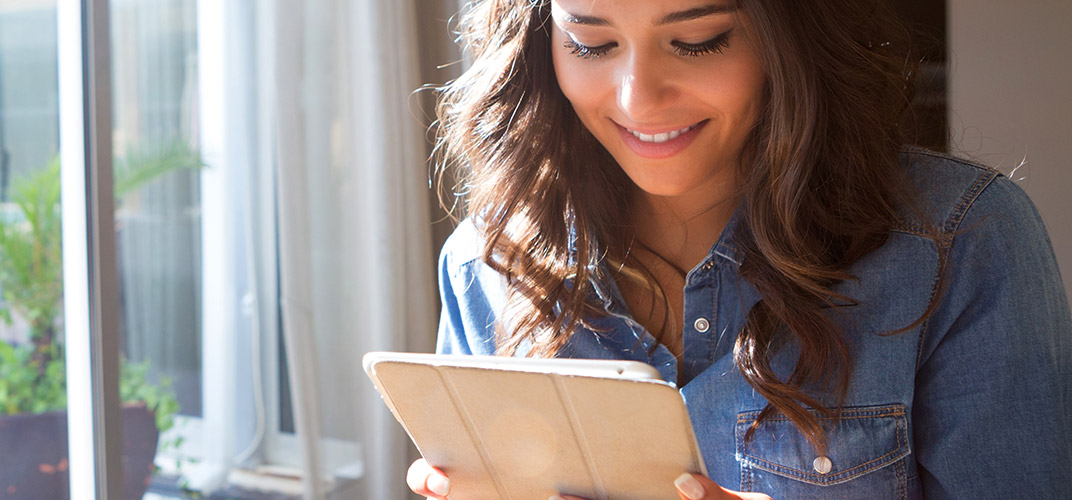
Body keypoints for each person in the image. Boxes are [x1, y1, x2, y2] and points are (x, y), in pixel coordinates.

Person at [408, 0, 1072, 498]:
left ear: (787, 32)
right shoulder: (487, 263)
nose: (638, 97)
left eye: (697, 40)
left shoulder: (962, 242)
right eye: (590, 42)